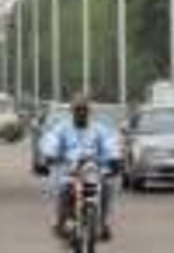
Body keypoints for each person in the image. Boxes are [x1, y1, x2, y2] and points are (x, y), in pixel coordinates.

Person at [38, 95, 122, 241]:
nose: (81, 113)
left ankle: (103, 223)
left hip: (94, 170)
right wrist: (50, 155)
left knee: (107, 186)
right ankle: (60, 222)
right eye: (78, 110)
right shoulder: (62, 128)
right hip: (70, 170)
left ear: (89, 112)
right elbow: (52, 141)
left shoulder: (99, 129)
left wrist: (114, 158)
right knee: (62, 189)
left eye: (84, 110)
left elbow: (110, 143)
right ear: (72, 112)